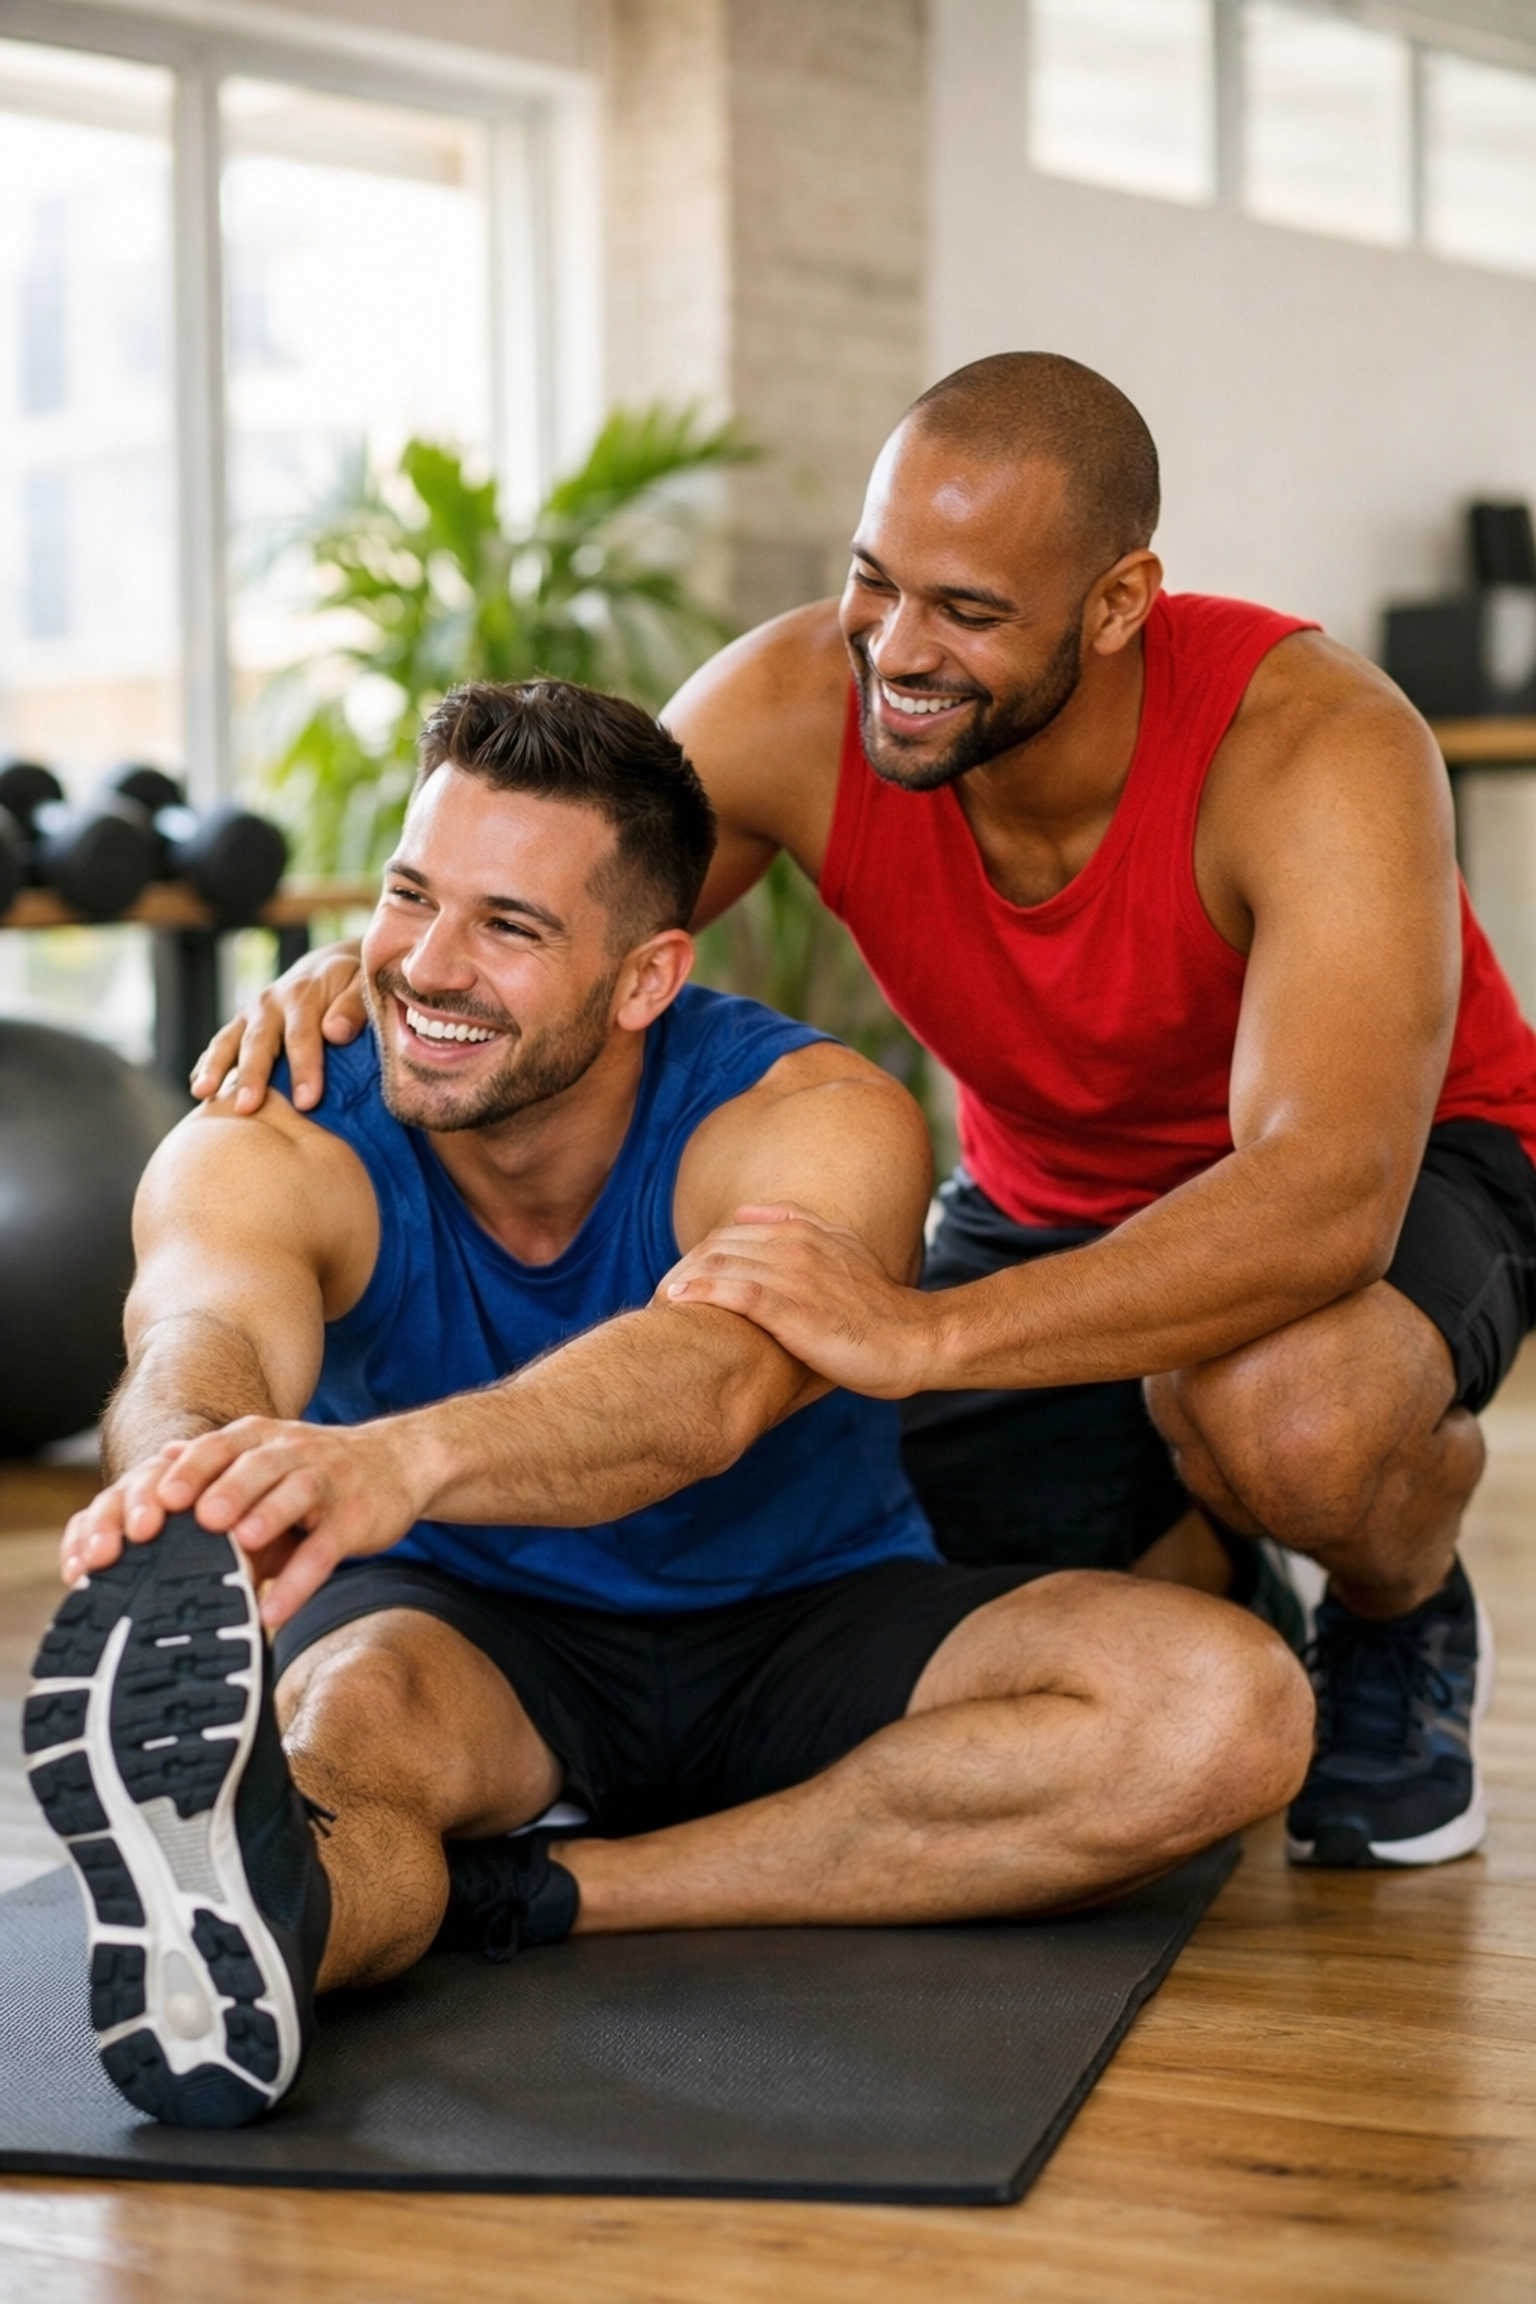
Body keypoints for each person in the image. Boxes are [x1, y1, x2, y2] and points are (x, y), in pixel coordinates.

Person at [203, 353, 1535, 1875]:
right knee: (912, 1555)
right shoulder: (788, 710)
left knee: (1284, 1419)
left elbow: (1321, 1196)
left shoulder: (1316, 744)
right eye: (873, 583)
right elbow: (564, 922)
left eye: (968, 611)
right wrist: (374, 965)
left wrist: (934, 1337)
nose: (896, 648)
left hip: (1405, 1167)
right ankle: (1213, 1552)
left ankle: (1396, 1611)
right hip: (1038, 1204)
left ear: (1118, 604)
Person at [30, 677, 1309, 2131]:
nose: (429, 967)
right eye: (409, 897)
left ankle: (568, 1891)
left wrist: (397, 1461)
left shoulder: (811, 1121)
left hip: (801, 1617)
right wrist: (186, 1486)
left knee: (1231, 1706)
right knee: (355, 1724)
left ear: (645, 979)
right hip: (473, 1634)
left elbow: (701, 1392)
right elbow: (197, 1330)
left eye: (509, 926)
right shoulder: (282, 1124)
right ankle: (264, 1920)